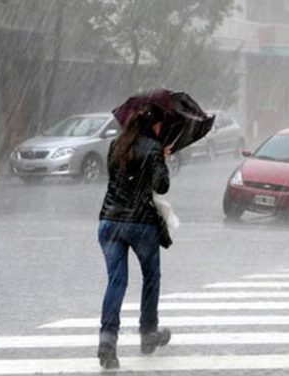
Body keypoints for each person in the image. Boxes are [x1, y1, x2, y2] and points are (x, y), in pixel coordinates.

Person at [96, 105, 173, 369]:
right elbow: (161, 185)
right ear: (155, 126)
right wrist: (162, 158)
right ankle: (148, 333)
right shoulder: (153, 148)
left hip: (109, 221)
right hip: (140, 224)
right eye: (161, 126)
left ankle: (107, 340)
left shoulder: (116, 144)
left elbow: (116, 179)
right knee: (151, 276)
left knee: (116, 282)